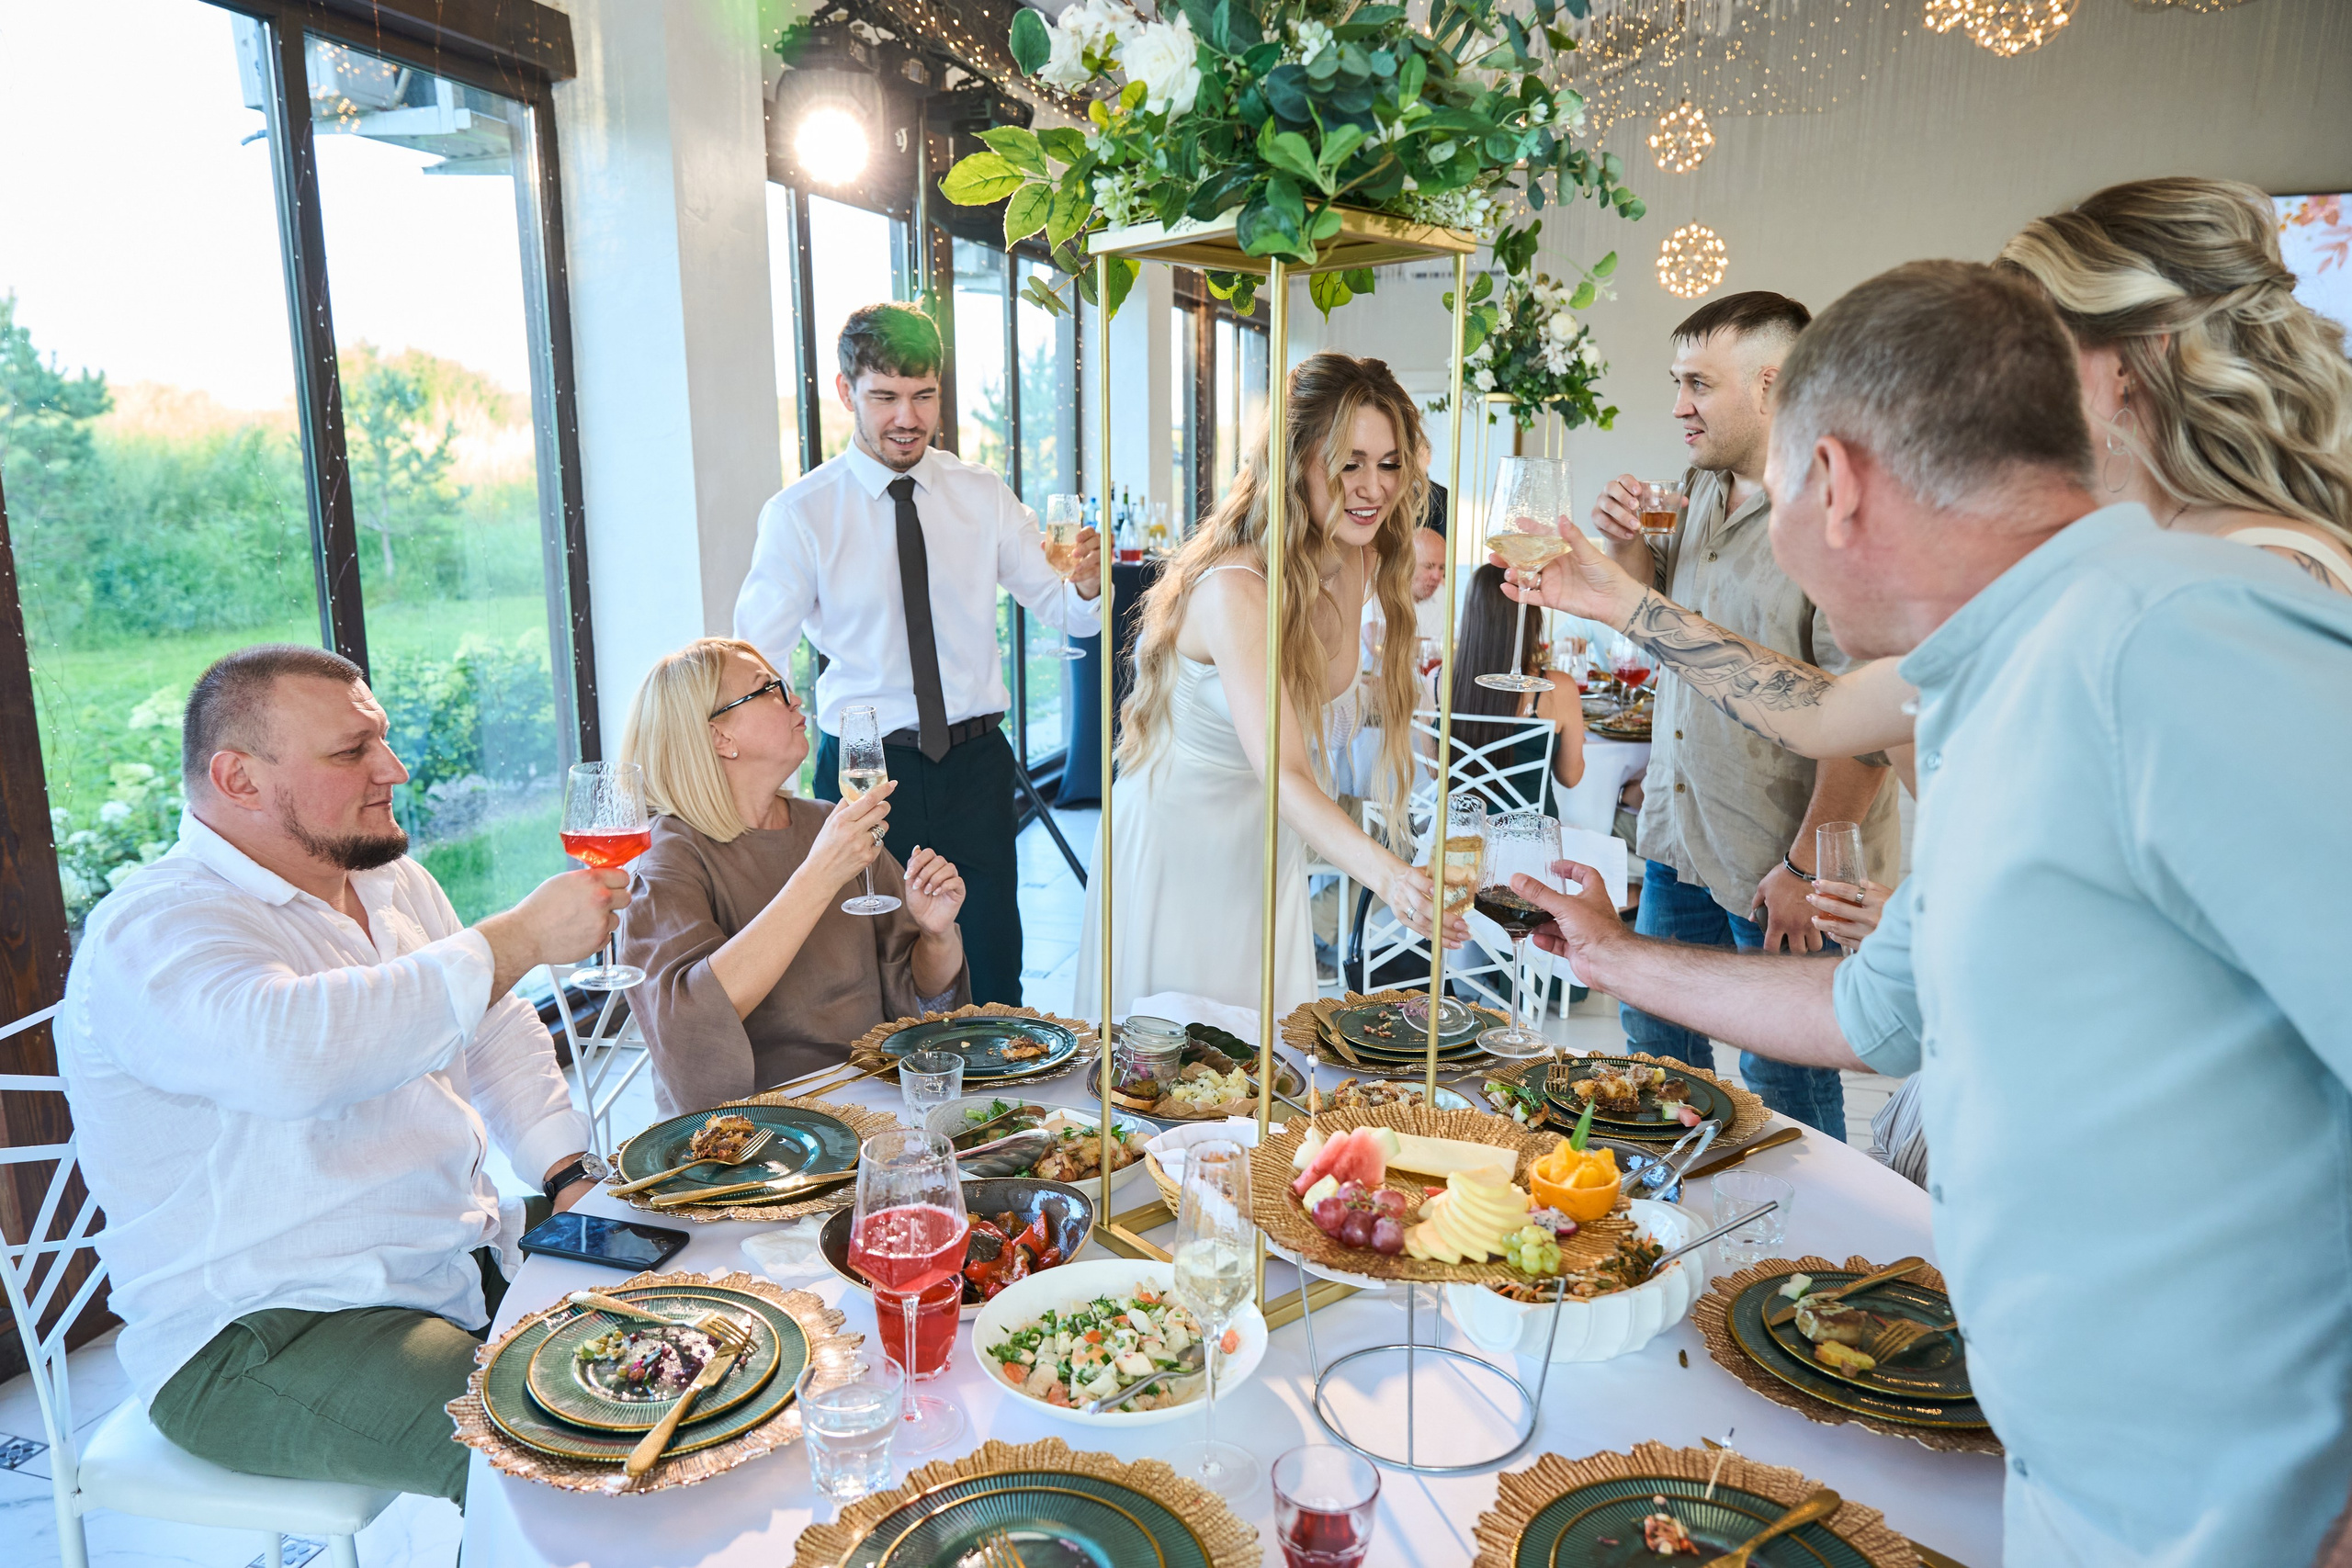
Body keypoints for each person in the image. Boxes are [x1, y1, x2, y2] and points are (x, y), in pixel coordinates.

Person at [1508, 260, 2352, 1567]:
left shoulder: (2175, 638)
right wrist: (1615, 955)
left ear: (1834, 482)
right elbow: (1872, 1006)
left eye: (1783, 493)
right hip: (2072, 1468)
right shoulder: (1992, 679)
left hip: (2240, 1513)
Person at [1510, 176, 2352, 768]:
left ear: (2135, 362)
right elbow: (1828, 712)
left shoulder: (2262, 577)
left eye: (2036, 350)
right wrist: (1619, 600)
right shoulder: (2115, 559)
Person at [55, 644, 628, 1506]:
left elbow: (494, 1024)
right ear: (238, 778)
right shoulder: (155, 927)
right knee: (562, 1453)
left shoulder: (388, 879)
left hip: (451, 1255)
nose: (391, 769)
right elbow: (293, 1054)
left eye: (382, 741)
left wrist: (566, 1171)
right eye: (351, 751)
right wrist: (517, 938)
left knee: (700, 1289)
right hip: (264, 1331)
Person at [1076, 352, 1467, 1021]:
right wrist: (1391, 877)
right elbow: (1287, 772)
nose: (1373, 486)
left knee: (1263, 1079)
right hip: (1179, 855)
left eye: (1389, 462)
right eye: (1349, 461)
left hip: (1264, 848)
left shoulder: (1356, 556)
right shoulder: (1236, 588)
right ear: (1296, 463)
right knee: (1169, 1075)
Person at [1589, 289, 1894, 1139]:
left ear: (1769, 386)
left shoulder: (1828, 515)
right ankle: (1677, 1213)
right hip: (1682, 834)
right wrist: (1625, 553)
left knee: (1781, 1078)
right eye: (1677, 382)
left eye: (1698, 384)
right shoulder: (1693, 491)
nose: (1678, 406)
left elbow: (1866, 718)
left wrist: (1802, 867)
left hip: (1778, 855)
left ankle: (1812, 1253)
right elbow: (1669, 635)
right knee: (1655, 1046)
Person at [735, 301, 1100, 1006]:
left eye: (924, 395)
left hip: (975, 767)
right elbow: (756, 661)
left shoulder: (982, 494)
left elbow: (1065, 612)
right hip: (864, 774)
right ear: (846, 393)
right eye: (886, 397)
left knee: (992, 964)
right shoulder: (800, 516)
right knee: (870, 971)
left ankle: (1004, 1107)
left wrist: (1086, 582)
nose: (908, 417)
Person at [616, 638, 969, 1114]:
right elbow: (690, 1025)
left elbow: (920, 1004)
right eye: (769, 689)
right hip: (764, 1131)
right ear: (720, 737)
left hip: (880, 1102)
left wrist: (937, 934)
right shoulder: (669, 859)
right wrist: (819, 876)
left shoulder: (826, 822)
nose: (796, 698)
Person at [1430, 563, 1587, 810]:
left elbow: (1434, 771)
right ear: (1532, 617)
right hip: (1530, 839)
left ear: (1471, 615)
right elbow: (1571, 777)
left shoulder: (1436, 680)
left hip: (1455, 836)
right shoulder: (1559, 688)